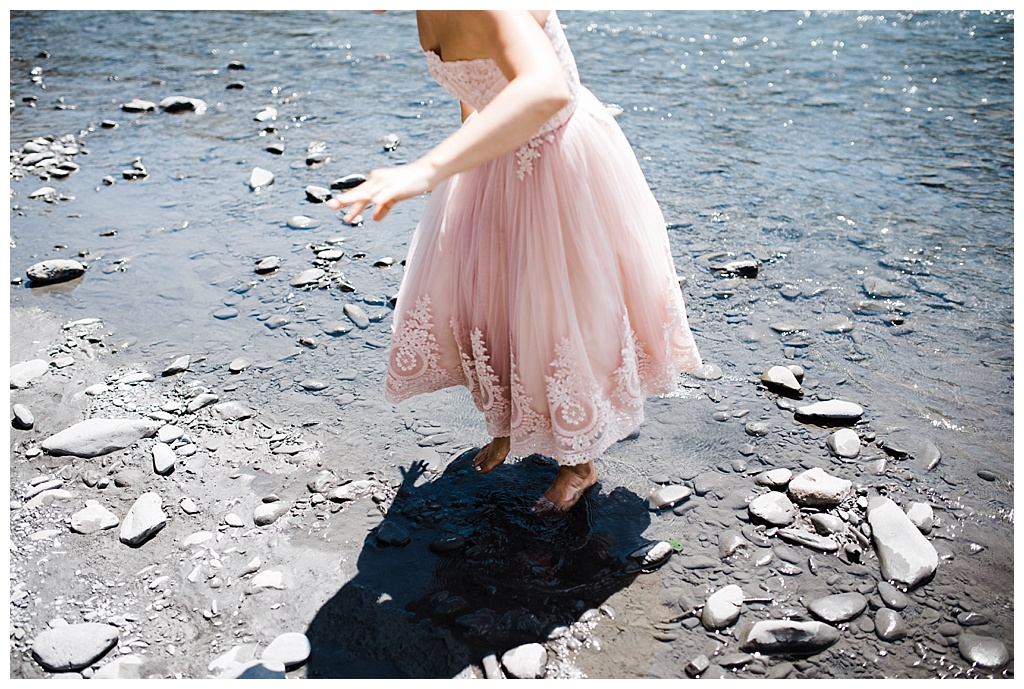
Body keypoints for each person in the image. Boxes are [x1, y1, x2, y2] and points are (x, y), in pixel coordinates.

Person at [329, 10, 702, 513]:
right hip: (495, 161)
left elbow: (546, 89)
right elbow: (478, 92)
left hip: (557, 159)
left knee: (559, 320)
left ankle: (579, 462)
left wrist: (427, 169)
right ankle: (514, 425)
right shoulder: (424, 11)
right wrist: (467, 173)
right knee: (492, 307)